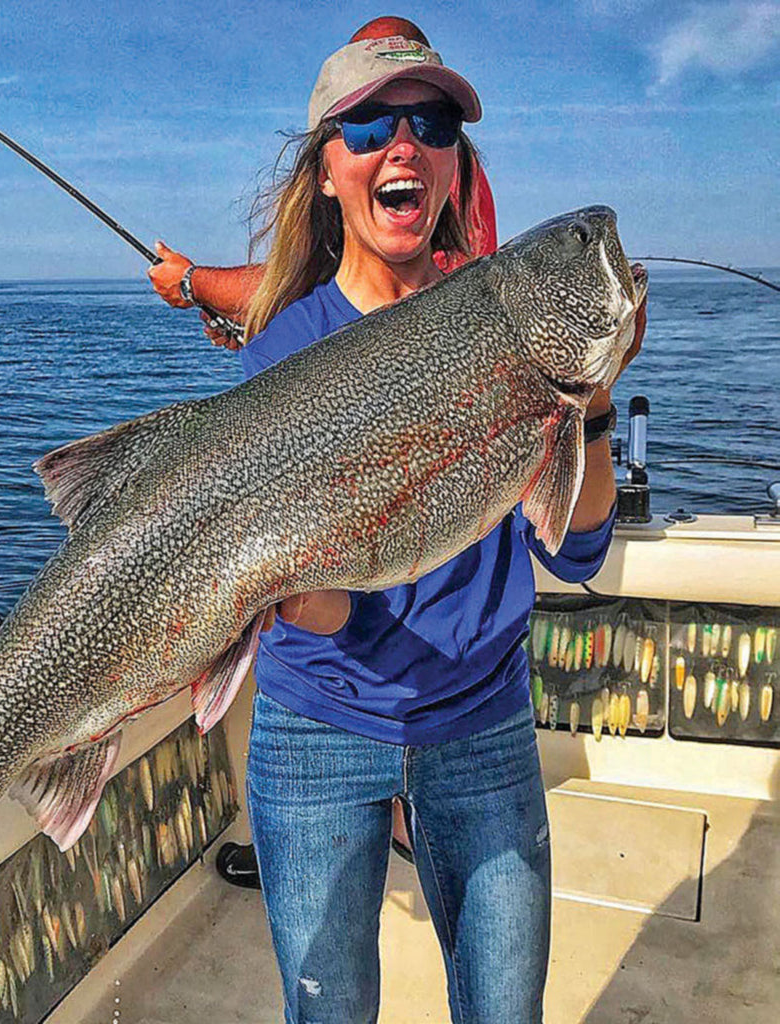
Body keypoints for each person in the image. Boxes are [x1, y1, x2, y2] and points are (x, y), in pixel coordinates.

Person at [150, 19, 644, 1024]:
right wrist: (289, 581)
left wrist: (589, 403)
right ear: (327, 171)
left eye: (430, 124)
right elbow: (323, 619)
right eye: (369, 125)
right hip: (319, 727)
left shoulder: (509, 318)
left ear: (457, 169)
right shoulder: (283, 354)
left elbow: (579, 542)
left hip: (484, 722)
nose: (403, 143)